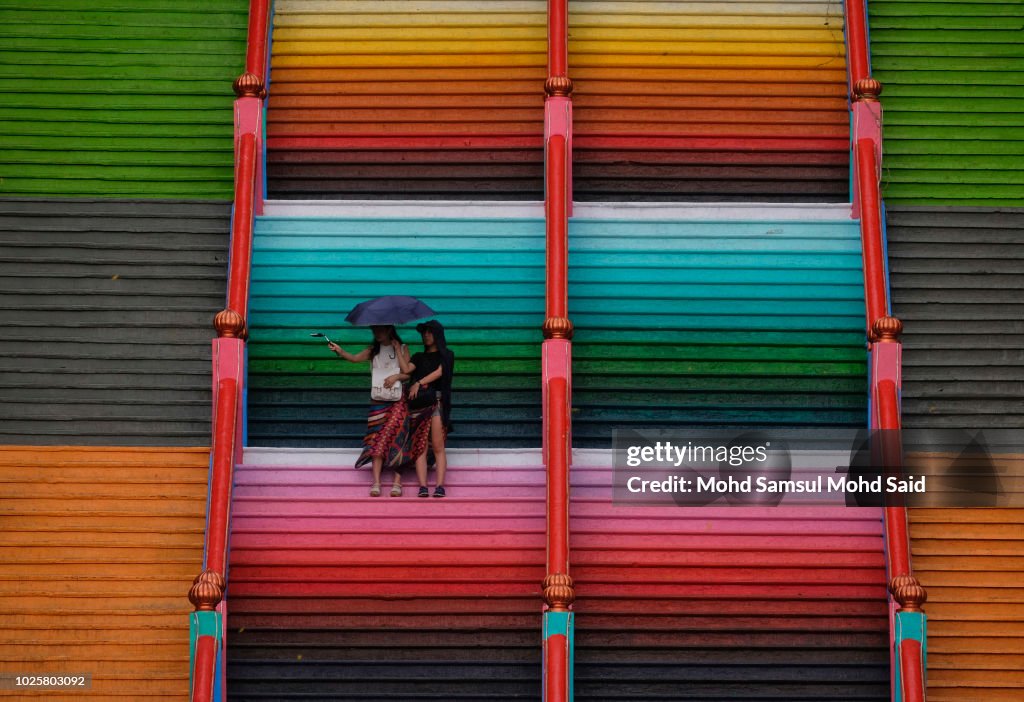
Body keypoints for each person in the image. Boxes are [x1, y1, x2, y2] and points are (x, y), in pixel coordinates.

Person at [328, 325, 416, 497]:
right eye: (374, 330)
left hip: (398, 400)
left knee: (399, 438)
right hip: (378, 401)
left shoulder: (404, 348)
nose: (376, 333)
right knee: (376, 439)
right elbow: (353, 358)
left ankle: (397, 483)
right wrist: (339, 351)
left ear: (389, 330)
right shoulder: (372, 350)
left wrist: (397, 363)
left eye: (379, 330)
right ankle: (376, 482)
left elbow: (407, 373)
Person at [400, 320, 455, 498]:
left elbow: (440, 372)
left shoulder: (447, 355)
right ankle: (423, 487)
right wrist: (400, 349)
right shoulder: (418, 356)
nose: (426, 335)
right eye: (424, 332)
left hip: (437, 403)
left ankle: (440, 486)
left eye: (429, 332)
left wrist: (419, 382)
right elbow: (406, 369)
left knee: (438, 446)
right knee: (420, 447)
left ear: (438, 334)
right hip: (419, 405)